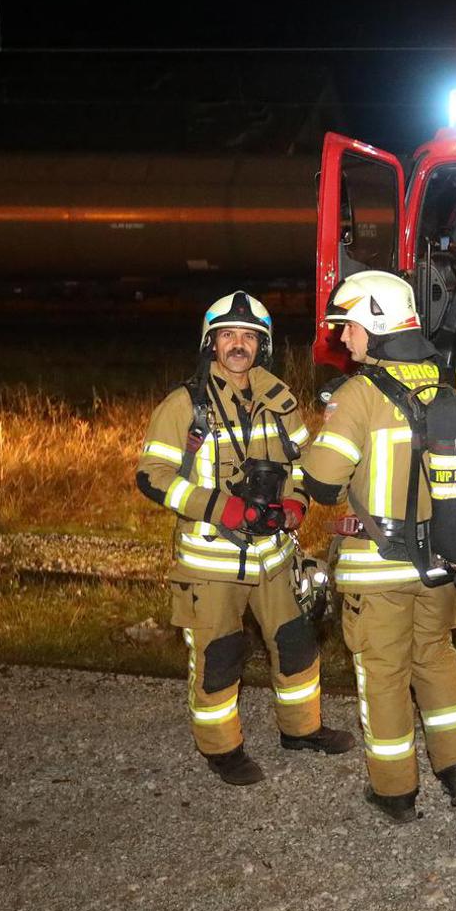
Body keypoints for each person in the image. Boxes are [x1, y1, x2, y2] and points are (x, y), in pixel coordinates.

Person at [300, 270, 456, 822]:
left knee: (384, 676)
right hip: (444, 562)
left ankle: (395, 791)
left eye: (348, 327)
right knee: (438, 660)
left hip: (378, 570)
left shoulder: (358, 396)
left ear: (374, 327)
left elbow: (324, 482)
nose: (342, 338)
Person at [136, 291, 354, 786]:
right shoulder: (184, 405)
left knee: (297, 645)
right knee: (219, 657)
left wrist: (297, 502)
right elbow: (152, 475)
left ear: (263, 345)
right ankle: (222, 749)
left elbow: (304, 464)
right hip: (211, 562)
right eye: (228, 336)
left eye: (249, 337)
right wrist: (222, 507)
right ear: (211, 343)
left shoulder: (280, 401)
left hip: (274, 556)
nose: (239, 345)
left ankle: (302, 729)